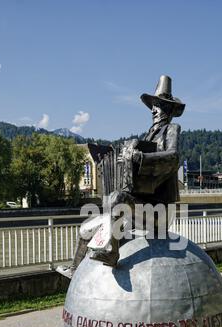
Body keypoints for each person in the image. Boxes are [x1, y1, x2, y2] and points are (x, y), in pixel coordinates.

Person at [56, 75, 185, 278]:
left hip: (159, 209)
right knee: (85, 229)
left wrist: (140, 156)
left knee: (117, 198)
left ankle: (111, 252)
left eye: (157, 106)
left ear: (168, 110)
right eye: (152, 106)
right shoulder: (148, 136)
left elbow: (173, 156)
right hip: (138, 210)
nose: (153, 110)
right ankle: (75, 268)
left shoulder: (171, 129)